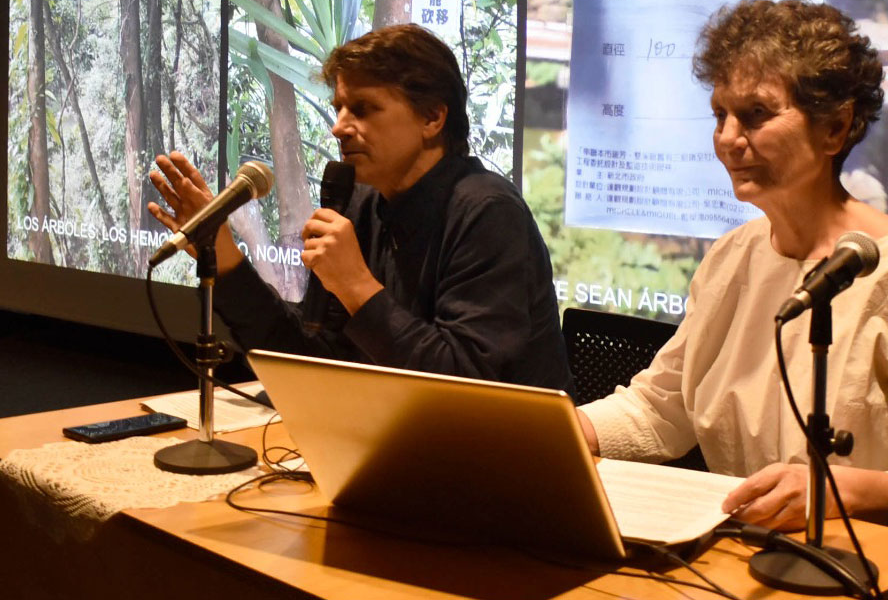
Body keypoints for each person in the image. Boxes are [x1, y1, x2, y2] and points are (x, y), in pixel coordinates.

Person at [577, 0, 888, 540]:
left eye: (756, 115)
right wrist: (563, 433)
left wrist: (835, 493)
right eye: (720, 114)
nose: (729, 139)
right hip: (740, 563)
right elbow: (662, 408)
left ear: (834, 129)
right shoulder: (733, 256)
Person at [148, 23, 573, 393]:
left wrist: (357, 287)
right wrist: (224, 258)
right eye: (338, 109)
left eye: (363, 110)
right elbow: (309, 360)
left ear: (432, 118)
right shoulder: (361, 203)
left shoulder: (488, 213)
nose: (338, 127)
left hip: (504, 464)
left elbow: (466, 384)